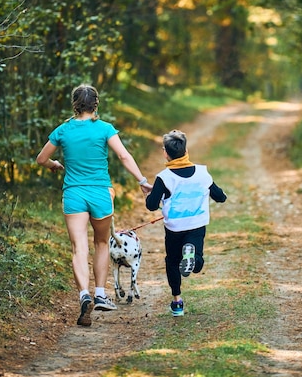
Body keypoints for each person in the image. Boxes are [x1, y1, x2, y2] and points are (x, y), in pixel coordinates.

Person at [36, 84, 152, 327]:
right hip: (100, 193)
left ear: (74, 104)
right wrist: (142, 181)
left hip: (74, 195)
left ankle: (83, 296)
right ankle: (100, 294)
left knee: (79, 247)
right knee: (101, 242)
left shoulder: (63, 130)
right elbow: (123, 156)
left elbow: (41, 159)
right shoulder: (104, 129)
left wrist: (55, 164)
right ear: (96, 105)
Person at [145, 129, 227, 316]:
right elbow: (219, 196)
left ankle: (177, 301)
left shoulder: (163, 178)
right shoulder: (202, 173)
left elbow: (151, 206)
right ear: (186, 150)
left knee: (172, 262)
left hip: (174, 228)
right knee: (197, 259)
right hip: (196, 225)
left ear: (165, 153)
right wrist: (220, 195)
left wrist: (153, 193)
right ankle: (193, 259)